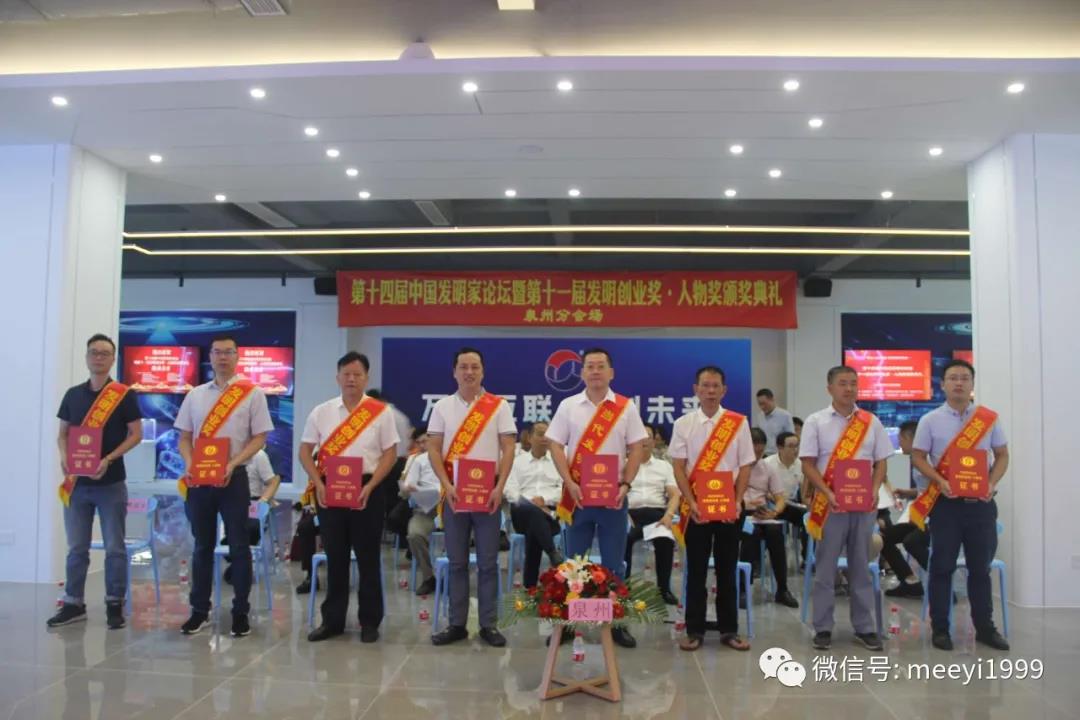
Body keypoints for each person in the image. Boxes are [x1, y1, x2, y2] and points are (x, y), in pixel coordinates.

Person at [547, 347, 648, 649]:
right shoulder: (568, 406)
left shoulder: (625, 407)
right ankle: (568, 622)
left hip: (613, 498)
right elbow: (555, 445)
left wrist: (626, 484)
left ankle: (615, 623)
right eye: (589, 366)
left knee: (614, 565)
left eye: (600, 366)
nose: (595, 371)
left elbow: (637, 448)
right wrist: (569, 482)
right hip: (577, 498)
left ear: (611, 372)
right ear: (581, 372)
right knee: (574, 565)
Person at [175, 334, 274, 637]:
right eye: (217, 352)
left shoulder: (252, 393)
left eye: (228, 352)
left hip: (235, 477)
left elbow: (260, 437)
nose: (222, 357)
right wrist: (190, 463)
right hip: (200, 480)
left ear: (237, 356)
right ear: (210, 356)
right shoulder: (195, 395)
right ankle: (199, 611)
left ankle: (240, 612)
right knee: (202, 546)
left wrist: (233, 463)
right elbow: (184, 438)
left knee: (239, 546)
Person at [300, 352, 399, 643]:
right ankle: (332, 621)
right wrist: (317, 483)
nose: (351, 379)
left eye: (357, 374)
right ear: (337, 377)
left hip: (368, 488)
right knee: (335, 556)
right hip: (330, 489)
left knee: (368, 558)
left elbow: (390, 454)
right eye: (346, 374)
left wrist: (372, 485)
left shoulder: (380, 412)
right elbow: (305, 451)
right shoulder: (322, 412)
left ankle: (369, 621)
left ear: (366, 378)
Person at [912, 359, 1009, 651]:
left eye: (964, 378)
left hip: (981, 504)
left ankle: (985, 628)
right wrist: (939, 481)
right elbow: (918, 457)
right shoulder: (930, 420)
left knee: (980, 569)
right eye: (953, 378)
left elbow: (1002, 454)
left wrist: (991, 482)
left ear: (972, 384)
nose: (959, 383)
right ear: (943, 384)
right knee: (942, 567)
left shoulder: (988, 419)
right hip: (946, 505)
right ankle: (941, 629)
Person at [48, 333, 143, 630]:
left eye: (104, 353)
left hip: (111, 483)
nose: (98, 357)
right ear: (86, 357)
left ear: (113, 359)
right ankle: (73, 603)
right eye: (94, 352)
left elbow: (136, 434)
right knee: (77, 547)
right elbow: (63, 434)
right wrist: (65, 457)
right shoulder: (73, 395)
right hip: (78, 484)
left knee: (115, 547)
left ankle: (115, 603)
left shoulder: (123, 395)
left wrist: (109, 459)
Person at [800, 365, 893, 651]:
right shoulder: (815, 421)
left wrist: (875, 490)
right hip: (830, 506)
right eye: (842, 383)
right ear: (829, 388)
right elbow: (807, 464)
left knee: (861, 567)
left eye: (853, 383)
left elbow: (881, 462)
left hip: (863, 506)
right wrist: (827, 493)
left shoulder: (871, 422)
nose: (849, 388)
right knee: (826, 569)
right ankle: (823, 627)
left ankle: (864, 627)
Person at [428, 347, 517, 648]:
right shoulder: (442, 407)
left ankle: (489, 624)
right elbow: (433, 449)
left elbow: (508, 448)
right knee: (456, 562)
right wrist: (446, 485)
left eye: (474, 367)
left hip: (488, 494)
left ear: (483, 371)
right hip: (454, 494)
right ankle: (456, 624)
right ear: (454, 372)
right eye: (463, 367)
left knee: (489, 562)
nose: (469, 372)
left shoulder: (498, 406)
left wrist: (499, 487)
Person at [670, 365, 754, 652]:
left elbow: (745, 465)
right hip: (696, 508)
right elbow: (678, 467)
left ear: (724, 390)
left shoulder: (737, 423)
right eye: (705, 385)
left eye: (715, 386)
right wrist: (691, 502)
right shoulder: (683, 424)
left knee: (727, 569)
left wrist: (738, 501)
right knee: (695, 570)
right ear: (696, 389)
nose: (710, 391)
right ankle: (694, 630)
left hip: (730, 507)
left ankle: (729, 630)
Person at [740, 427, 799, 608]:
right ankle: (743, 588)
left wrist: (775, 512)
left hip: (763, 513)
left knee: (775, 533)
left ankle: (782, 589)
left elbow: (780, 498)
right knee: (751, 534)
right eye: (754, 451)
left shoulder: (767, 468)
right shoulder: (734, 466)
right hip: (741, 512)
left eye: (761, 451)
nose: (757, 455)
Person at [623, 425, 680, 604]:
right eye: (639, 436)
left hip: (657, 515)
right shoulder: (623, 464)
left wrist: (669, 515)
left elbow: (674, 494)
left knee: (665, 540)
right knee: (623, 538)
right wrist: (622, 513)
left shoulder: (664, 466)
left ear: (654, 441)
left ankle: (664, 590)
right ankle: (624, 589)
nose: (644, 440)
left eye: (648, 436)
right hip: (630, 514)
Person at [505, 421, 565, 589]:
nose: (544, 438)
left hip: (550, 513)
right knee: (532, 512)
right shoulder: (517, 462)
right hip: (521, 513)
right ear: (530, 438)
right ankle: (552, 552)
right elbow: (509, 489)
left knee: (535, 525)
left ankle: (530, 586)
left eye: (548, 435)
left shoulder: (558, 462)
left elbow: (564, 489)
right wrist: (528, 501)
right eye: (540, 434)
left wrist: (544, 499)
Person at [882, 421, 931, 597]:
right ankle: (910, 582)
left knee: (912, 541)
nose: (899, 444)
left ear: (911, 438)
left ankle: (942, 584)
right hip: (919, 517)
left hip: (933, 519)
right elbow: (924, 490)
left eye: (901, 439)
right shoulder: (915, 460)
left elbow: (937, 491)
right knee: (884, 538)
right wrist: (908, 493)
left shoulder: (929, 460)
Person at [222, 448, 280, 584]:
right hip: (228, 501)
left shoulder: (258, 455)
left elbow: (273, 481)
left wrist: (263, 501)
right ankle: (234, 555)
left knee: (249, 527)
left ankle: (239, 562)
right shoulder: (224, 452)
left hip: (253, 501)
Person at [401, 426, 442, 596]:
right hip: (426, 510)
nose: (423, 446)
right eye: (419, 443)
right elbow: (407, 486)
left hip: (450, 510)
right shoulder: (418, 461)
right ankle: (428, 577)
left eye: (425, 441)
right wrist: (409, 488)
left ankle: (455, 577)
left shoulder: (452, 458)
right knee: (414, 534)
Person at [764, 431, 809, 561]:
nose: (795, 450)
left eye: (797, 446)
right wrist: (777, 499)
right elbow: (762, 489)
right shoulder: (768, 464)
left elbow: (804, 492)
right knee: (770, 527)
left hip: (792, 505)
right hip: (772, 504)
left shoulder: (801, 465)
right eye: (791, 446)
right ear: (780, 447)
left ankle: (807, 558)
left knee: (809, 520)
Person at [755, 389, 795, 455]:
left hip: (778, 455)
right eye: (760, 404)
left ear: (772, 399)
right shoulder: (760, 416)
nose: (762, 407)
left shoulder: (785, 416)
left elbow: (791, 438)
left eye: (764, 403)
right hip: (763, 455)